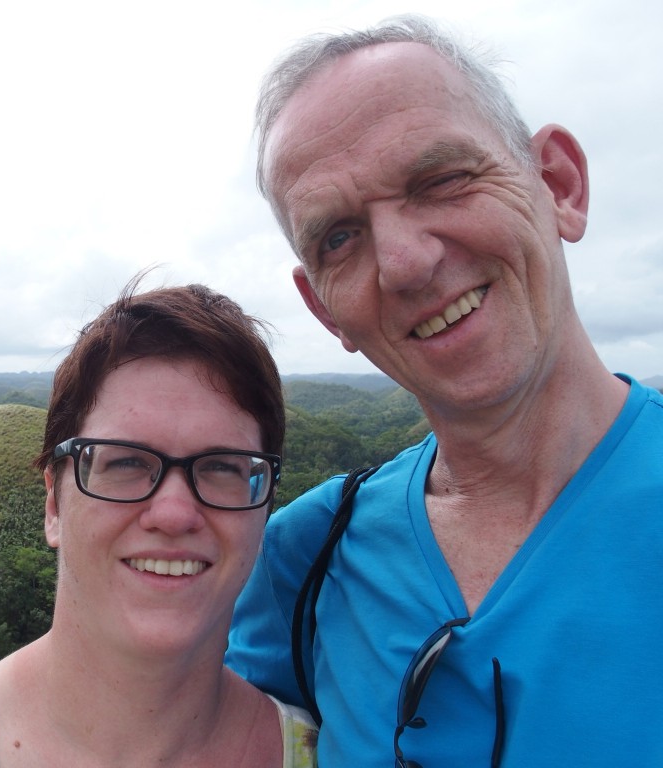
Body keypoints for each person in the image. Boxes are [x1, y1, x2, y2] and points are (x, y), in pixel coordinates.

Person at [225, 14, 663, 768]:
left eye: (442, 180)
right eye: (338, 236)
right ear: (325, 308)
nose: (404, 262)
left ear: (559, 184)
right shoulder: (306, 557)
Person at [0, 280, 318, 767]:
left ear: (266, 506)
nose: (173, 514)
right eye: (125, 463)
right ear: (53, 506)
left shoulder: (335, 755)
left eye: (222, 467)